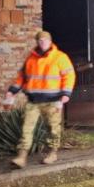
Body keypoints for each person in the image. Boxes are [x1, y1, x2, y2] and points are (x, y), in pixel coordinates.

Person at [5, 31, 75, 168]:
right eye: (40, 40)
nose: (42, 42)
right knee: (26, 128)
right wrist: (12, 91)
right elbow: (21, 77)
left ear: (50, 41)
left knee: (53, 128)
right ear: (37, 42)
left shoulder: (60, 57)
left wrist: (66, 93)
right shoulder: (31, 59)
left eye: (45, 40)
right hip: (33, 101)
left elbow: (69, 76)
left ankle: (52, 153)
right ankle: (21, 157)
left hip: (53, 101)